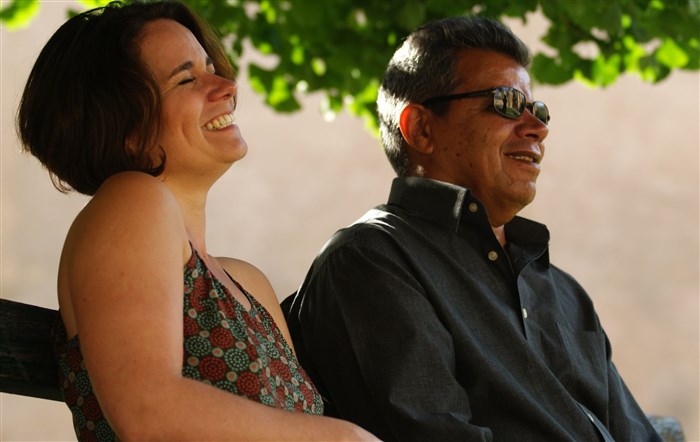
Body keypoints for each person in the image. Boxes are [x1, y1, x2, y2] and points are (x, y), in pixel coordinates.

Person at [286, 16, 662, 442]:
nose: (538, 128)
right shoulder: (372, 260)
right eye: (505, 102)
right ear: (421, 129)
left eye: (538, 110)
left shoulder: (565, 293)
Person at [16, 1, 379, 441]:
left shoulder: (249, 283)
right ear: (125, 126)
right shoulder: (132, 198)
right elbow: (148, 410)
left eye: (211, 67)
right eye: (186, 79)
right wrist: (344, 437)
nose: (227, 85)